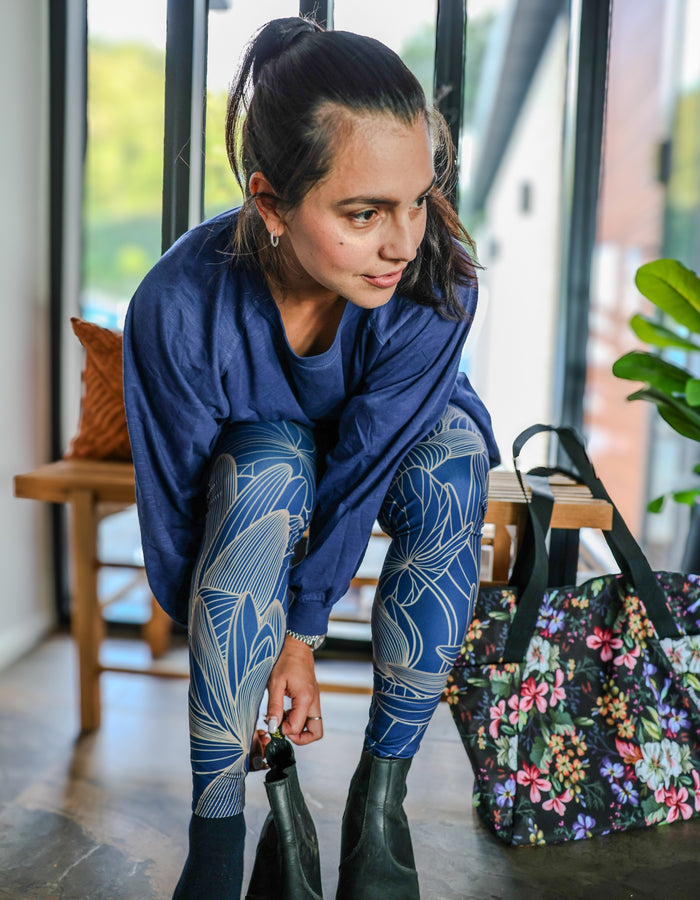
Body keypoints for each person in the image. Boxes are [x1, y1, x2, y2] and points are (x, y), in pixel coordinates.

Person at [123, 15, 499, 900]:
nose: (403, 243)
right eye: (364, 214)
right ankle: (216, 838)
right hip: (260, 475)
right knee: (268, 464)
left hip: (400, 442)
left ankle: (381, 812)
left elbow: (367, 468)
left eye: (419, 199)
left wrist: (302, 631)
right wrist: (240, 658)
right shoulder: (177, 307)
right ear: (270, 202)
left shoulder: (436, 281)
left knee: (450, 466)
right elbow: (177, 523)